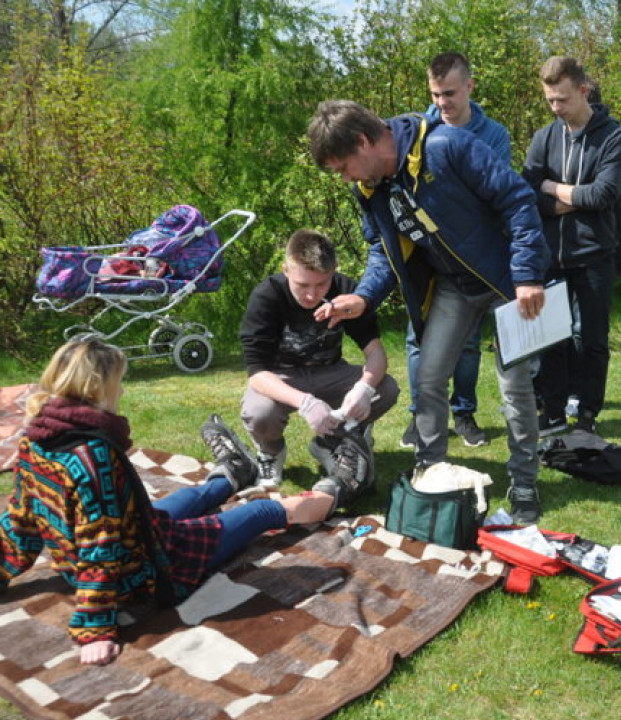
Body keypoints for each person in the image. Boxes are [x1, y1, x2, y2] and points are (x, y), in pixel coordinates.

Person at [0, 339, 339, 666]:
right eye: (118, 382)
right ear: (97, 390)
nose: (122, 391)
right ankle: (339, 487)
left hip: (139, 534)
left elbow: (21, 518)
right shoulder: (93, 457)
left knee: (189, 498)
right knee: (262, 511)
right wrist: (94, 626)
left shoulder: (37, 437)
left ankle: (233, 474)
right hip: (148, 568)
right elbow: (101, 544)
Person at [307, 100, 550, 523]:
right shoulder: (371, 188)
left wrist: (527, 274)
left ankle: (525, 482)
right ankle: (430, 473)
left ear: (364, 141)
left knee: (515, 387)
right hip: (453, 288)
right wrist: (363, 297)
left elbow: (518, 200)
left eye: (343, 166)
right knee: (430, 378)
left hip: (508, 284)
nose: (345, 177)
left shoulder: (449, 146)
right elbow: (382, 253)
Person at [400, 52, 513, 451]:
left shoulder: (494, 135)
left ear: (470, 86)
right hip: (424, 254)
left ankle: (462, 412)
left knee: (466, 342)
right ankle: (421, 416)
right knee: (417, 338)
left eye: (450, 92)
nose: (443, 102)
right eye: (435, 93)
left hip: (472, 257)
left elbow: (495, 198)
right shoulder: (417, 130)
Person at [239, 228, 399, 505]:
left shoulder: (346, 290)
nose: (312, 295)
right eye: (303, 285)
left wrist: (363, 388)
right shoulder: (267, 296)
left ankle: (331, 442)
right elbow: (257, 374)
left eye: (322, 284)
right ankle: (271, 451)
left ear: (333, 271)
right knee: (258, 412)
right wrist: (305, 402)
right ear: (286, 270)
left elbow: (377, 355)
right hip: (282, 375)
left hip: (330, 371)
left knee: (385, 388)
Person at [523, 56, 621, 436]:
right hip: (550, 258)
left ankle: (587, 415)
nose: (556, 108)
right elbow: (529, 192)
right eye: (550, 100)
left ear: (583, 91)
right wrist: (570, 197)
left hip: (595, 255)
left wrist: (552, 187)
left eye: (563, 100)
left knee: (592, 341)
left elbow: (604, 195)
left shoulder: (614, 138)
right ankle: (551, 412)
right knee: (550, 339)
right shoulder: (544, 138)